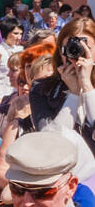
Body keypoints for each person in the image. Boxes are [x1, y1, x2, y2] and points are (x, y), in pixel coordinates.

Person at [29, 16, 95, 147]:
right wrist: (74, 94)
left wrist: (87, 86)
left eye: (85, 48)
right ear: (60, 51)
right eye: (71, 48)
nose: (77, 54)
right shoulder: (42, 88)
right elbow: (50, 141)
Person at [0, 16, 25, 101]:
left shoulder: (21, 50)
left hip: (15, 97)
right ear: (6, 33)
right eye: (16, 33)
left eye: (21, 34)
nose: (19, 37)